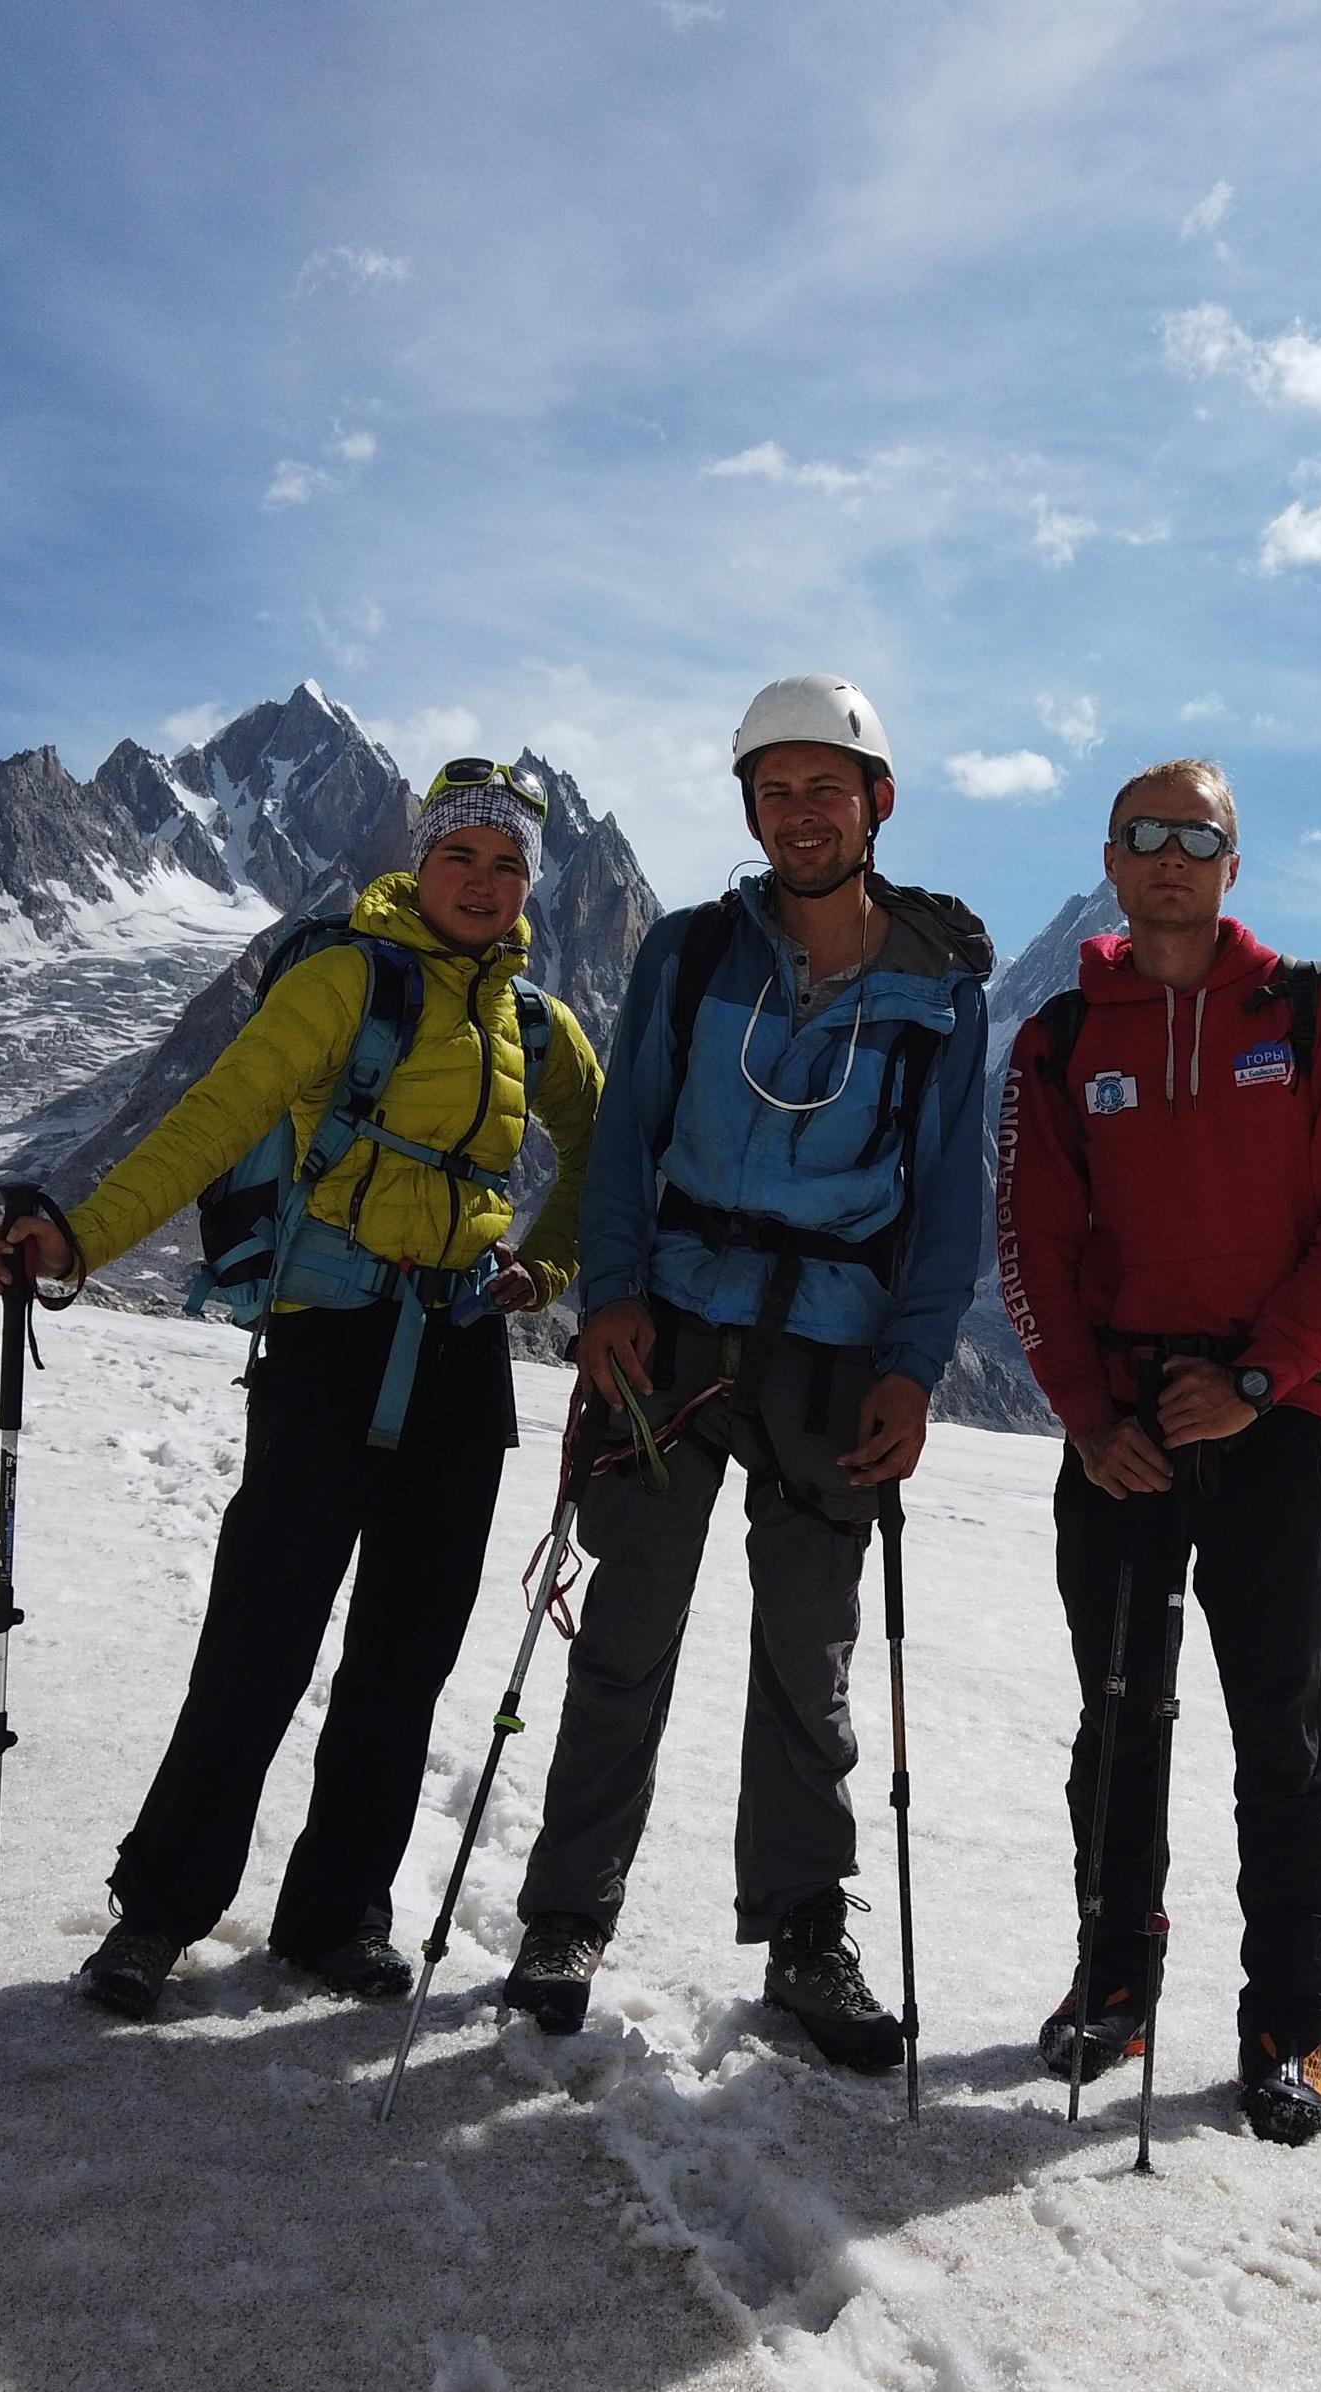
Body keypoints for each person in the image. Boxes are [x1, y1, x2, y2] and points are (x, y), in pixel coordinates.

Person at [0, 760, 603, 2020]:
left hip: (464, 1354)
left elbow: (605, 1138)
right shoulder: (343, 979)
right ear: (418, 864)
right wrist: (84, 1237)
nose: (481, 883)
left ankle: (336, 1916)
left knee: (405, 1655)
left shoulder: (537, 1023)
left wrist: (549, 1261)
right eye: (460, 856)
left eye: (506, 865)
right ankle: (158, 1910)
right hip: (331, 1346)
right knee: (259, 1639)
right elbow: (215, 1116)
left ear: (528, 886)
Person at [505, 674, 991, 2072]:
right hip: (673, 1336)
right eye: (774, 791)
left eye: (826, 787)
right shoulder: (694, 953)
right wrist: (611, 1298)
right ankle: (566, 1917)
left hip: (836, 1356)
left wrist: (912, 1369)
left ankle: (803, 1932)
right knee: (626, 1640)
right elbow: (629, 1139)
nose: (801, 813)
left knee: (808, 1662)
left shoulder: (938, 994)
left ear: (877, 803)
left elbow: (947, 1204)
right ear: (750, 809)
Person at [993, 756, 1321, 2144]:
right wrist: (1087, 1417)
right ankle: (1115, 1984)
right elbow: (1035, 1248)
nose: (1170, 857)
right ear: (1111, 864)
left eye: (1198, 837)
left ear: (1236, 864)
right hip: (1123, 1434)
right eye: (1144, 837)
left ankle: (1288, 2024)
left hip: (1268, 1425)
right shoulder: (1061, 1042)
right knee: (1120, 1722)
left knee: (1278, 1737)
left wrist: (1253, 1376)